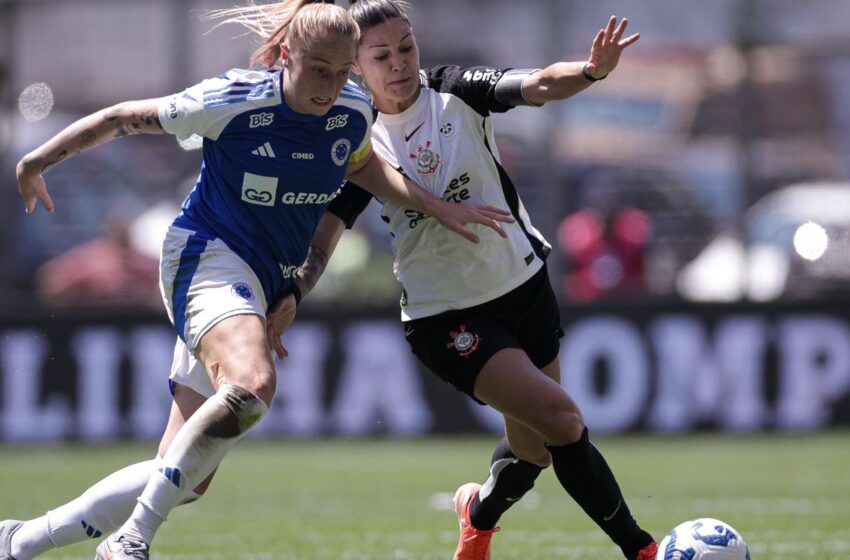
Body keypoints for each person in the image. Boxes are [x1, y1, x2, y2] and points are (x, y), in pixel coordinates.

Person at [6, 2, 512, 559]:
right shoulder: (235, 100)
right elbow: (121, 117)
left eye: (343, 70)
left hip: (260, 281)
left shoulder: (350, 107)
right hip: (206, 257)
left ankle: (19, 541)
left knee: (183, 476)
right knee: (253, 383)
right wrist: (37, 161)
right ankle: (130, 542)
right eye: (319, 68)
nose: (331, 84)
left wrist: (435, 206)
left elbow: (362, 165)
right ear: (287, 55)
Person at [274, 2, 658, 559]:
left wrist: (592, 71)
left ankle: (476, 517)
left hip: (523, 286)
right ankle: (643, 550)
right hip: (447, 316)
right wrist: (294, 293)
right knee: (563, 419)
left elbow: (541, 84)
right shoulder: (356, 136)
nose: (400, 63)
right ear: (356, 66)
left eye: (406, 47)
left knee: (534, 452)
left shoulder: (453, 89)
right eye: (382, 55)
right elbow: (323, 240)